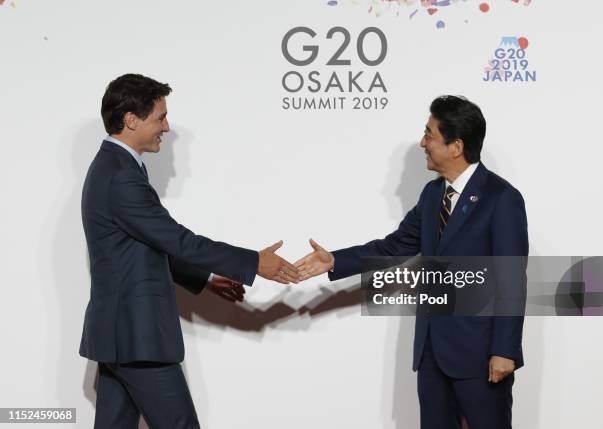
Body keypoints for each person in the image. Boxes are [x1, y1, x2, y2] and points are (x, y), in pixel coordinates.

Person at [80, 73, 299, 428]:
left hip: (121, 337)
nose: (166, 127)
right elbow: (176, 239)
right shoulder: (121, 175)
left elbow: (146, 244)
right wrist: (255, 262)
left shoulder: (113, 167)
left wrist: (207, 276)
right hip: (139, 338)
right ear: (131, 120)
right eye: (160, 118)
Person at [295, 95, 528, 429]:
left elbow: (512, 279)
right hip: (432, 354)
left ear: (456, 145)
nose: (423, 142)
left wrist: (505, 349)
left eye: (429, 135)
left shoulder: (501, 198)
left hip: (480, 356)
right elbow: (395, 247)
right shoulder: (433, 195)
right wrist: (335, 261)